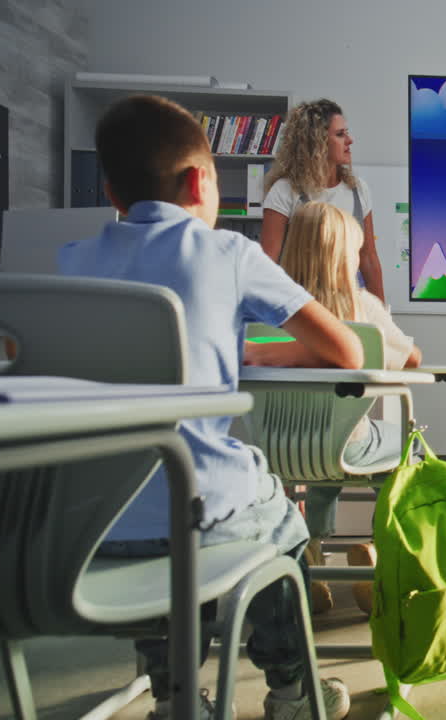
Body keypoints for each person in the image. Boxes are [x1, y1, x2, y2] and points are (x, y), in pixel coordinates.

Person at [59, 94, 356, 720]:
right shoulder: (229, 254)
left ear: (112, 194)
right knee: (278, 519)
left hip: (94, 523)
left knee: (164, 535)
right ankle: (292, 691)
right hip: (200, 506)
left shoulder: (72, 264)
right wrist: (261, 352)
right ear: (199, 182)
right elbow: (346, 349)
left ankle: (174, 697)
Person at [274, 200, 423, 614]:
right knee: (407, 448)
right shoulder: (362, 308)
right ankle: (378, 548)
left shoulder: (270, 309)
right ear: (345, 257)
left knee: (319, 463)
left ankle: (310, 552)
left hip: (282, 448)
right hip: (348, 444)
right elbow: (413, 359)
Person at [261, 98, 386, 302]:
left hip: (349, 306)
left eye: (346, 132)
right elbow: (268, 264)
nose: (350, 140)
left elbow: (368, 258)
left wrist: (382, 313)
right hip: (302, 306)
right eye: (340, 134)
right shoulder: (284, 191)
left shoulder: (359, 190)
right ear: (316, 142)